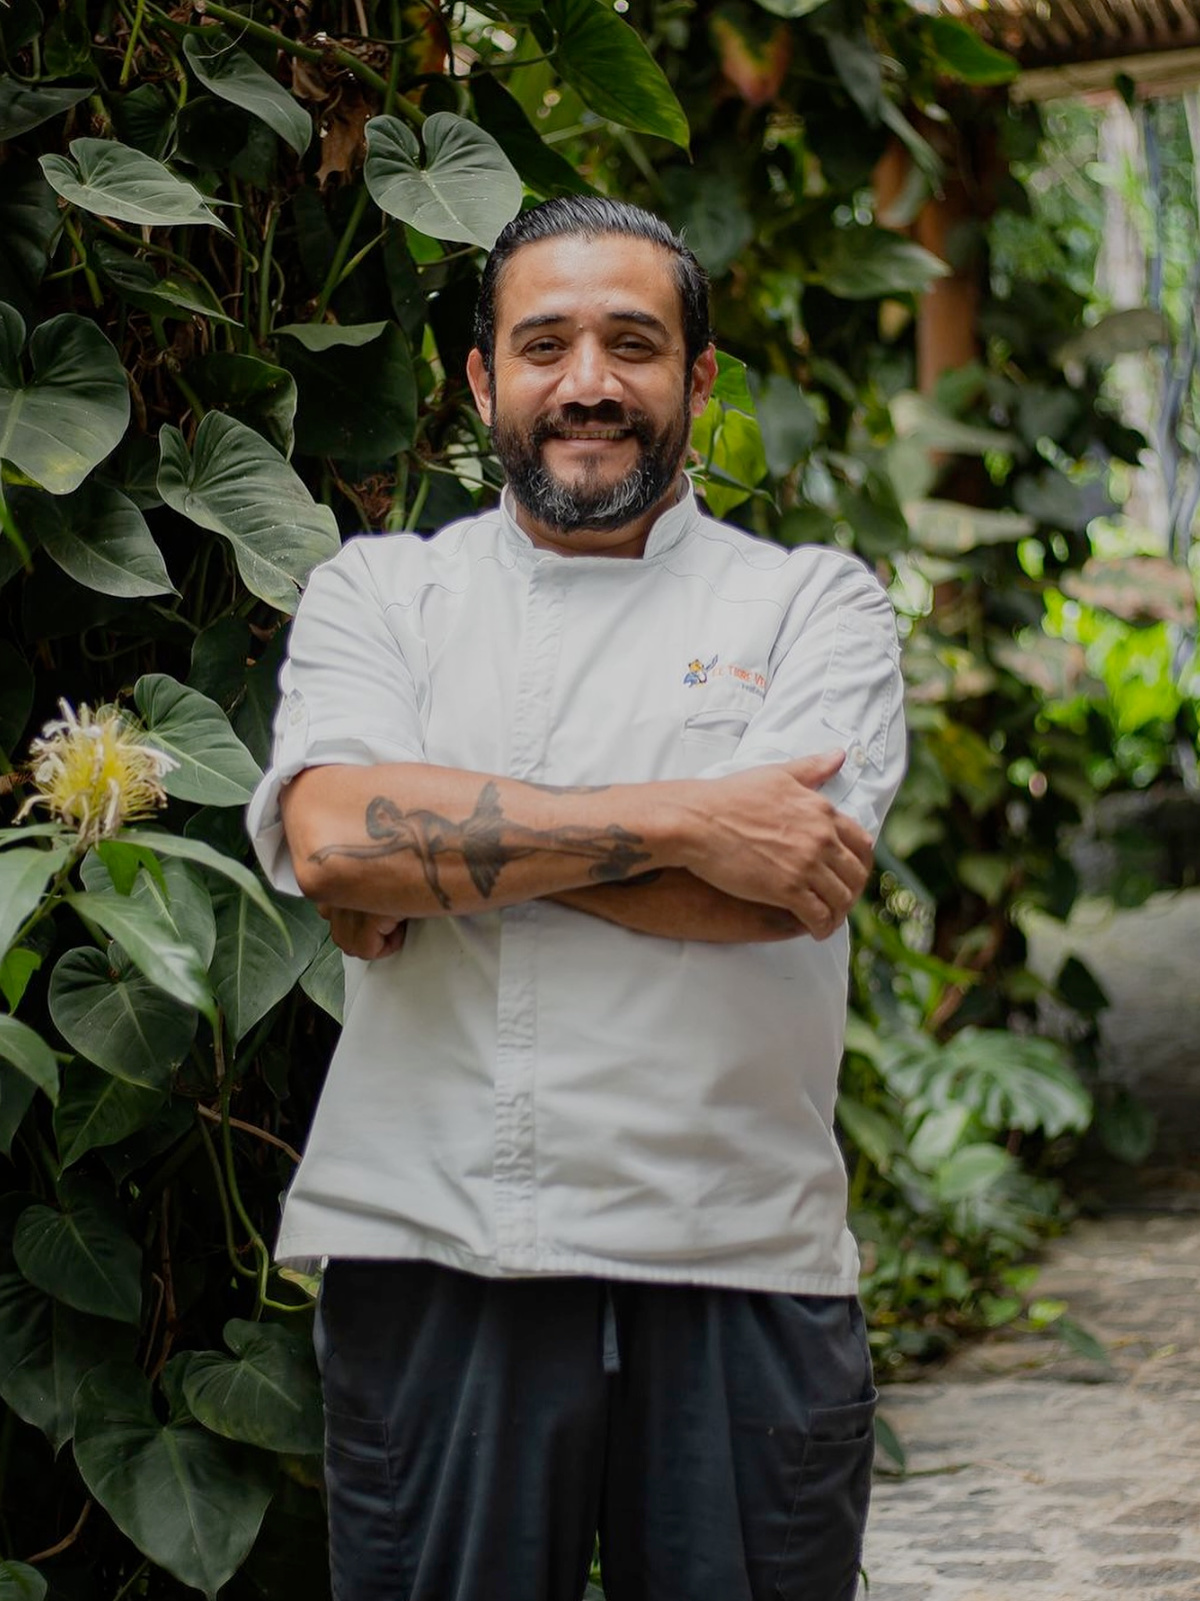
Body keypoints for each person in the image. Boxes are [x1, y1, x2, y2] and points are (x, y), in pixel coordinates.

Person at [247, 196, 906, 1601]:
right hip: (434, 1239)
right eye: (543, 345)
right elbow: (339, 845)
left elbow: (782, 885)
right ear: (483, 381)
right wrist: (686, 817)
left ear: (700, 380)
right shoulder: (383, 594)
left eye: (633, 343)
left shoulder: (812, 605)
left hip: (739, 1241)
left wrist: (460, 848)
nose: (588, 382)